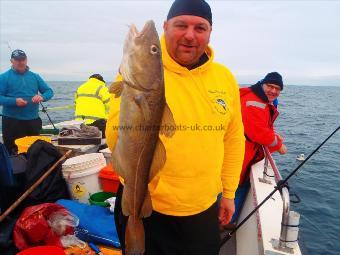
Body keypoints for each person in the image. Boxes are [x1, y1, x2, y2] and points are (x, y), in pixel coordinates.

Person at [106, 0, 245, 254]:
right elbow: (115, 136)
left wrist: (229, 193)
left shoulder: (224, 78)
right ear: (166, 27)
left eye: (200, 28)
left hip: (202, 209)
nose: (190, 35)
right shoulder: (135, 76)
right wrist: (130, 88)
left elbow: (233, 138)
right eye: (181, 25)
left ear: (210, 32)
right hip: (147, 204)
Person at [228, 72, 287, 226]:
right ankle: (224, 221)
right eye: (270, 86)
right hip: (240, 153)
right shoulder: (254, 102)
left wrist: (274, 136)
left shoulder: (258, 98)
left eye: (277, 89)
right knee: (236, 185)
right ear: (262, 84)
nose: (273, 91)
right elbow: (259, 132)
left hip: (242, 151)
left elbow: (262, 127)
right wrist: (279, 145)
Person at [0, 49, 54, 154]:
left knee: (35, 151)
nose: (21, 62)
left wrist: (41, 97)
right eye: (17, 60)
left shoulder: (35, 76)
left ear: (26, 60)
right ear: (12, 61)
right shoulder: (3, 77)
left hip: (33, 121)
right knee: (13, 151)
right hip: (12, 122)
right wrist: (14, 101)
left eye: (23, 59)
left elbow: (49, 91)